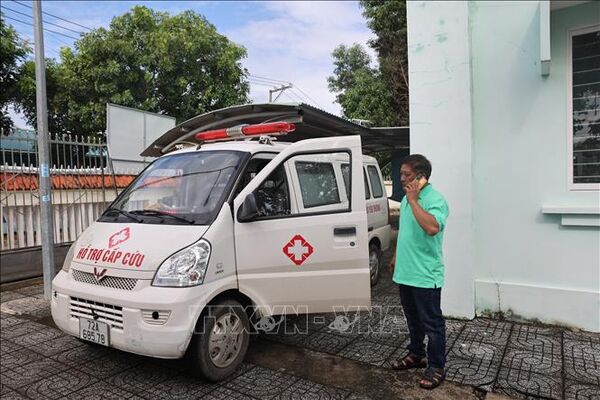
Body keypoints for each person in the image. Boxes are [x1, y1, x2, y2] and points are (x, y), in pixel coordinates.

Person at [389, 154, 449, 390]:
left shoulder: (435, 199)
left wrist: (414, 201)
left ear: (421, 177)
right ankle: (416, 354)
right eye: (401, 174)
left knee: (432, 324)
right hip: (406, 272)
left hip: (425, 275)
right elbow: (406, 232)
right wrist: (396, 256)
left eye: (407, 175)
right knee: (413, 320)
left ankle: (436, 366)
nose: (402, 178)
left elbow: (432, 227)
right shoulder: (406, 199)